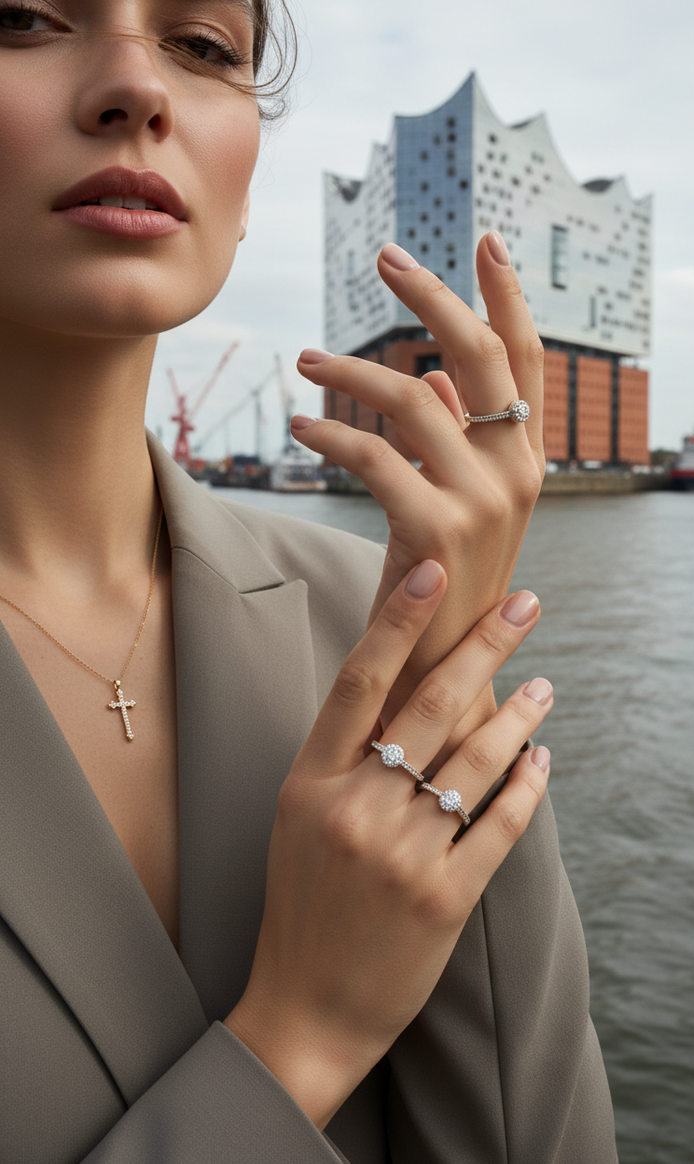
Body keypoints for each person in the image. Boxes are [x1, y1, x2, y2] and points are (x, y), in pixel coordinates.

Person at [0, 2, 618, 1161]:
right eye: (23, 17)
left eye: (202, 48)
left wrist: (450, 645)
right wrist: (300, 1036)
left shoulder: (368, 614)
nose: (137, 91)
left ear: (242, 195)